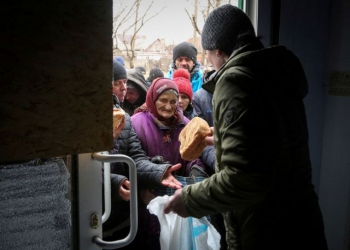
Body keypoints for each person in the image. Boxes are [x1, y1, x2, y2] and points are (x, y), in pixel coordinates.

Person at [164, 4, 328, 250]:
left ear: (219, 50)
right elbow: (272, 145)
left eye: (208, 53)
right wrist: (223, 141)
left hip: (266, 229)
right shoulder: (275, 74)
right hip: (301, 220)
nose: (208, 60)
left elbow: (244, 178)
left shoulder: (235, 81)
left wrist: (189, 199)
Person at [103, 60, 183, 248]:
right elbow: (88, 167)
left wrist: (159, 171)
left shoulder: (126, 120)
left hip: (124, 218)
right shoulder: (89, 119)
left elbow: (136, 158)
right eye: (117, 83)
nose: (124, 88)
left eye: (125, 82)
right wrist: (115, 182)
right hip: (96, 216)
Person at [131, 77, 208, 250]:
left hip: (175, 193)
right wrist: (144, 184)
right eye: (163, 100)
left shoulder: (185, 124)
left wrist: (196, 172)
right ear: (153, 99)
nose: (168, 106)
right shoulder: (136, 122)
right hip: (147, 197)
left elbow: (193, 155)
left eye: (173, 101)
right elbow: (133, 158)